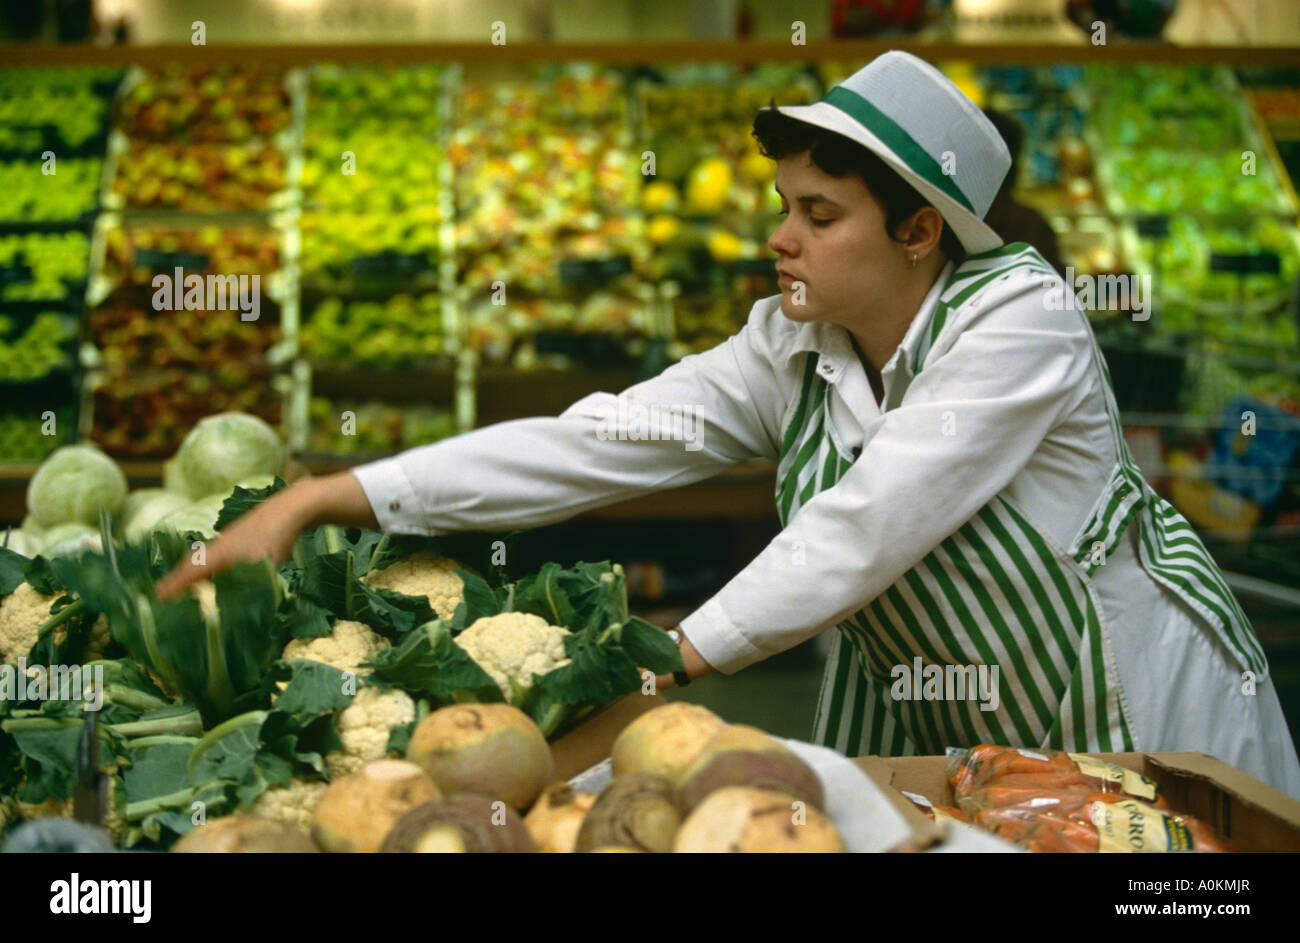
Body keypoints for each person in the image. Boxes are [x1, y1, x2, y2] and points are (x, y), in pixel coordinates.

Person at [158, 51, 1300, 798]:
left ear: (917, 233)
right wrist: (331, 495)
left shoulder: (1021, 320)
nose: (781, 240)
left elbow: (863, 525)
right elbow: (600, 438)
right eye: (781, 210)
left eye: (818, 214)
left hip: (1126, 704)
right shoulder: (789, 343)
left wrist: (653, 673)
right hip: (938, 717)